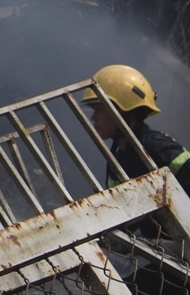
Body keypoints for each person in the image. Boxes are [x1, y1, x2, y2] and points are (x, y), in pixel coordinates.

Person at [82, 64, 190, 290]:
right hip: (170, 261)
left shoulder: (156, 148)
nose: (93, 118)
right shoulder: (118, 158)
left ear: (120, 110)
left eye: (99, 110)